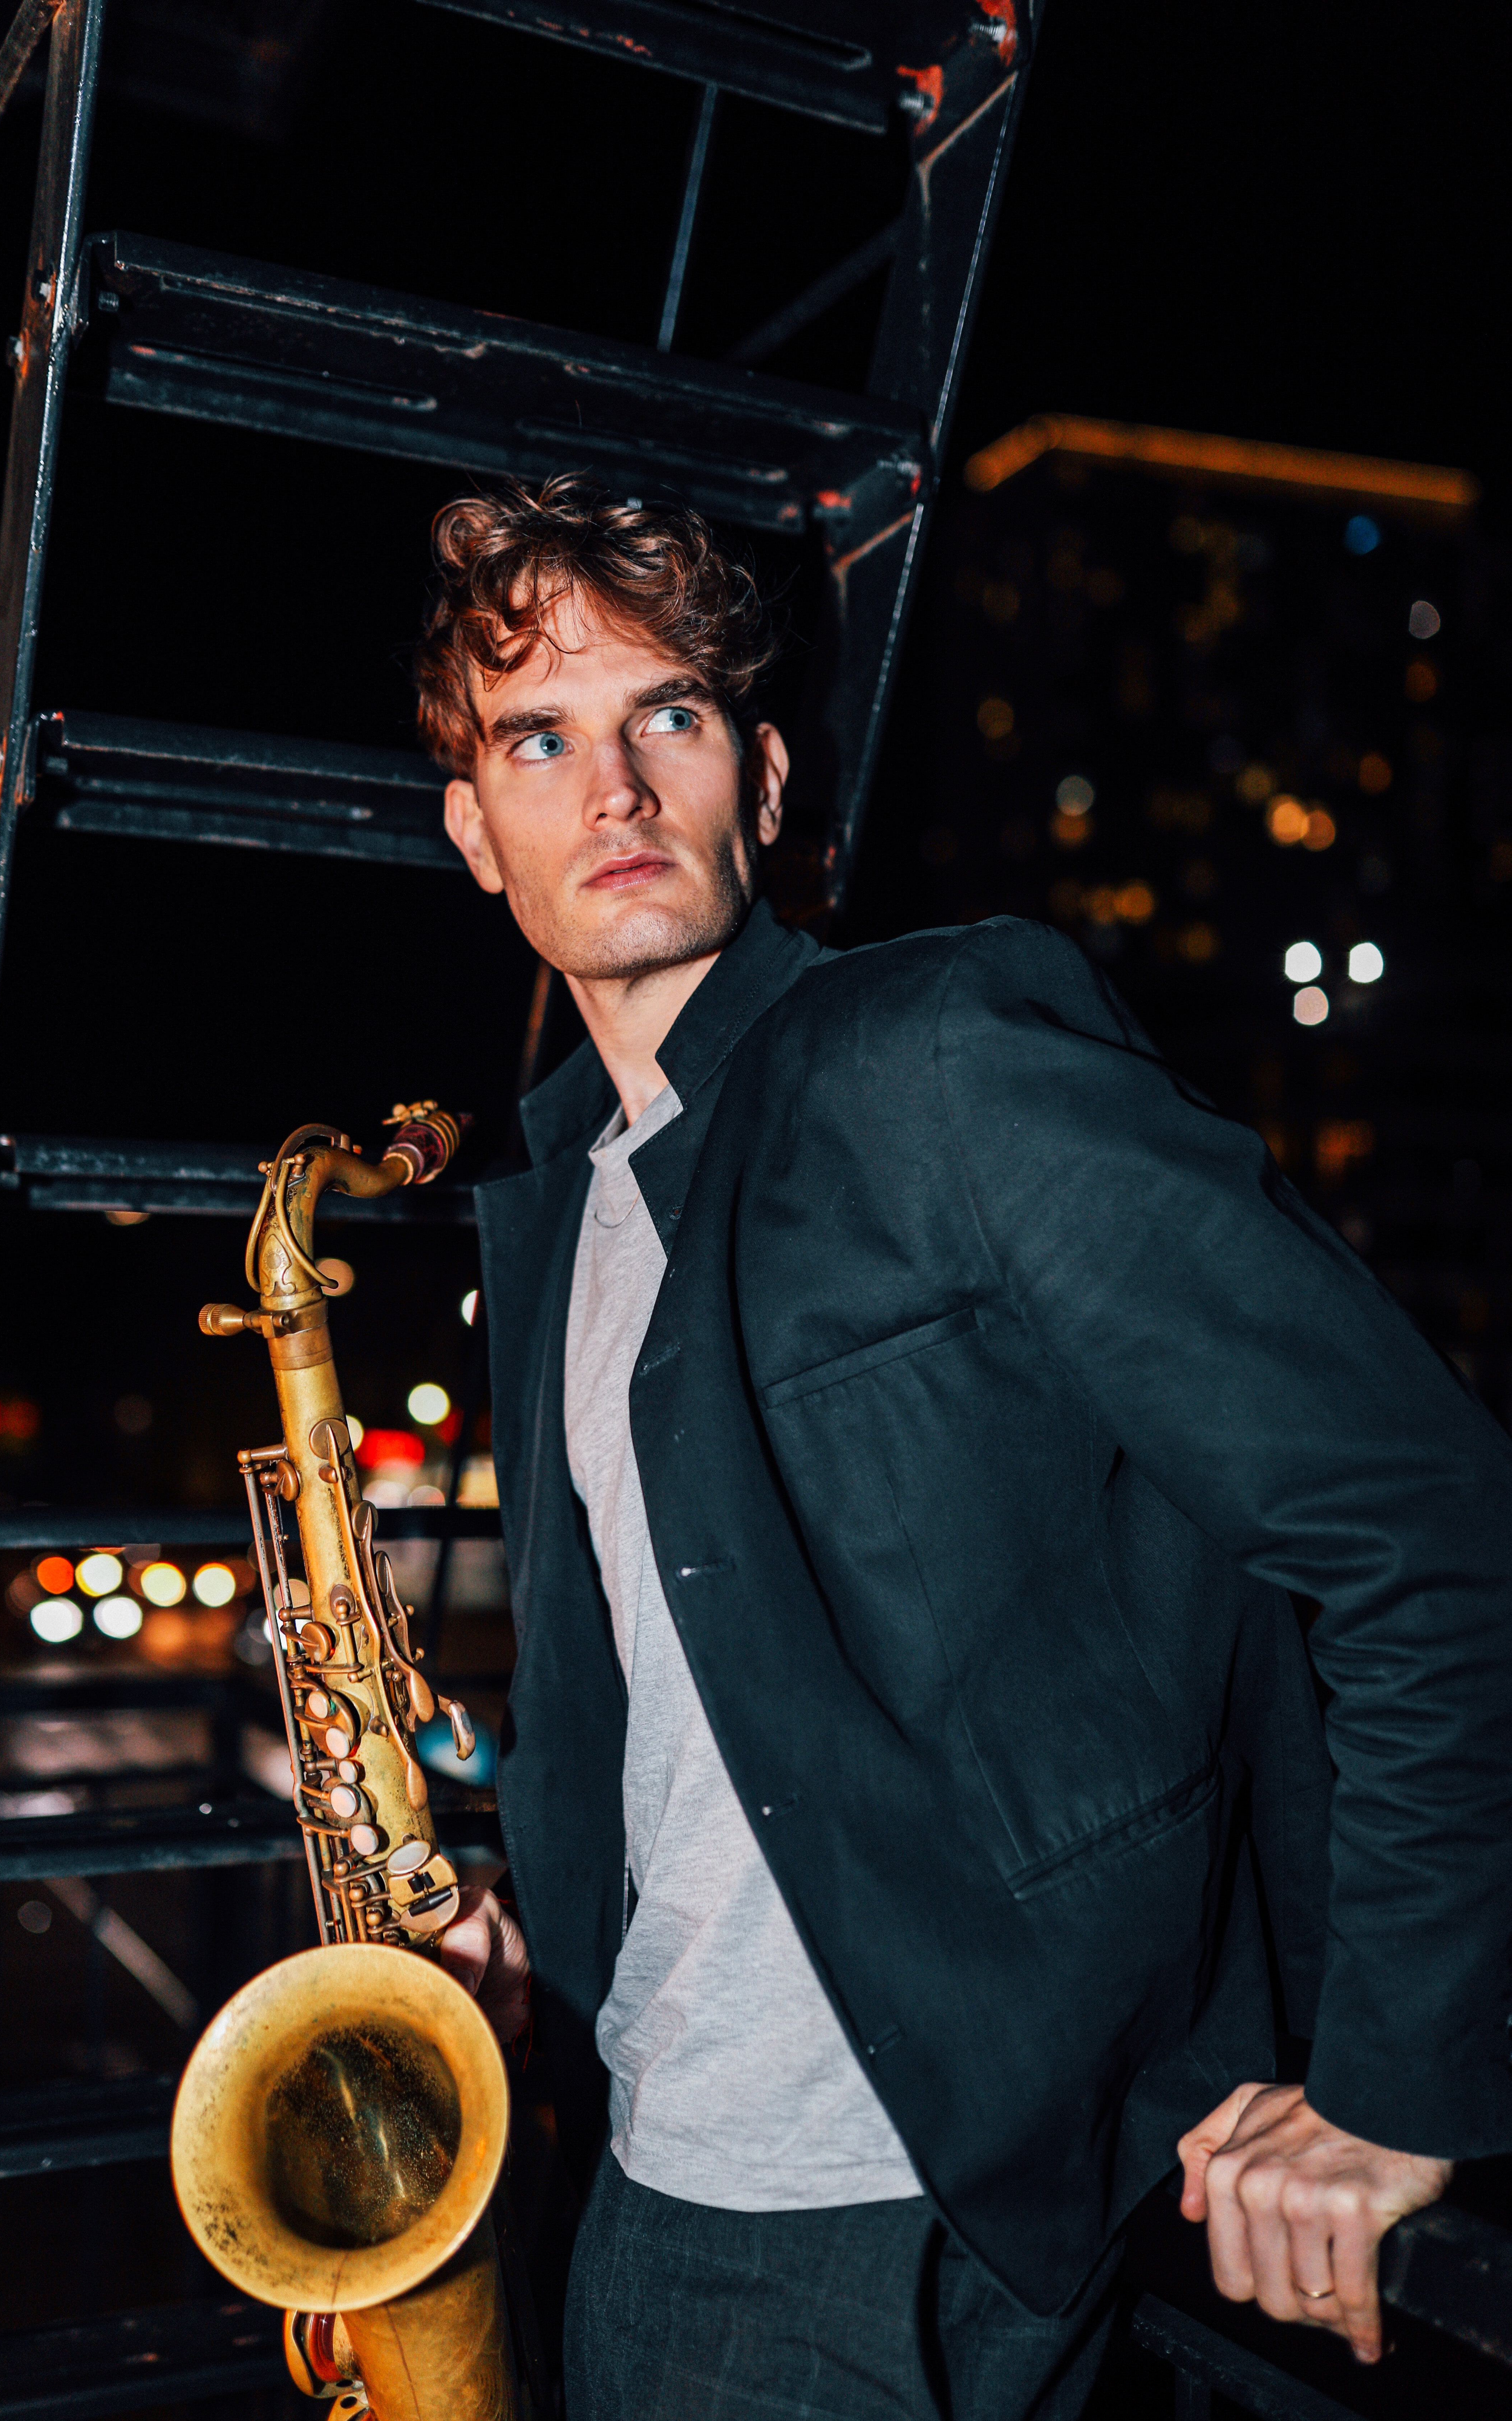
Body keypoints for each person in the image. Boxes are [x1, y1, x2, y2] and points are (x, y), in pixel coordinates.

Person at [423, 476, 1510, 2420]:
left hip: (918, 2212)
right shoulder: (563, 1200)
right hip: (652, 2158)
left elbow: (1429, 1522)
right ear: (474, 829)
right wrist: (543, 1917)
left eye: (669, 714)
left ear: (762, 779)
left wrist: (1394, 2080)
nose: (616, 790)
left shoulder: (936, 1054)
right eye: (540, 740)